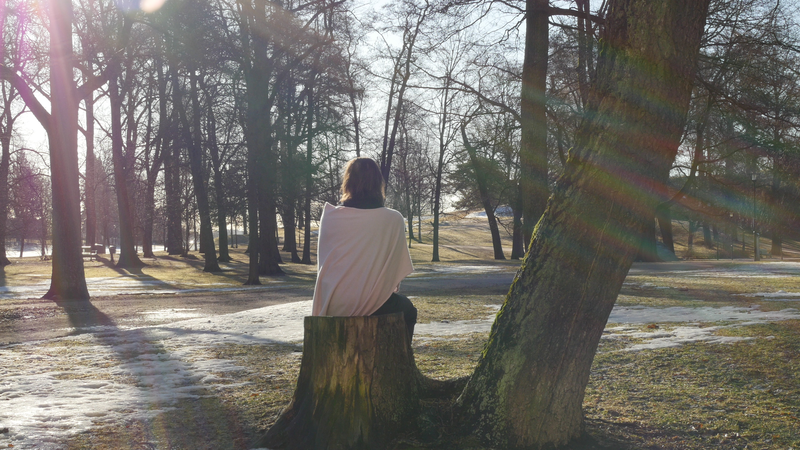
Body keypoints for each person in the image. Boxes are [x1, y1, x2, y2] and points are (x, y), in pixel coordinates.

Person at [311, 157, 416, 343]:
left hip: (332, 302)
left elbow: (325, 263)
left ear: (348, 182)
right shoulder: (392, 219)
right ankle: (399, 360)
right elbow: (395, 269)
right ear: (378, 183)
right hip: (373, 301)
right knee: (408, 311)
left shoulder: (330, 216)